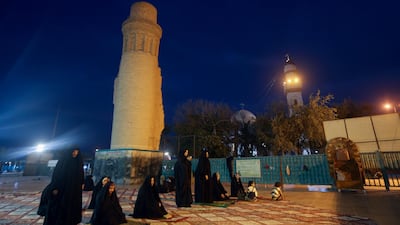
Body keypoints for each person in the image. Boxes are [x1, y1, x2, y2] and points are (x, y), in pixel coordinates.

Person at [42, 147, 84, 225]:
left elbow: (81, 175)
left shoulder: (78, 163)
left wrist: (82, 183)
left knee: (71, 205)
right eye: (74, 151)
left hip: (74, 189)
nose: (75, 153)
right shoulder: (63, 161)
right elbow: (56, 175)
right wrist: (55, 187)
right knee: (60, 206)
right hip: (62, 188)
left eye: (77, 152)